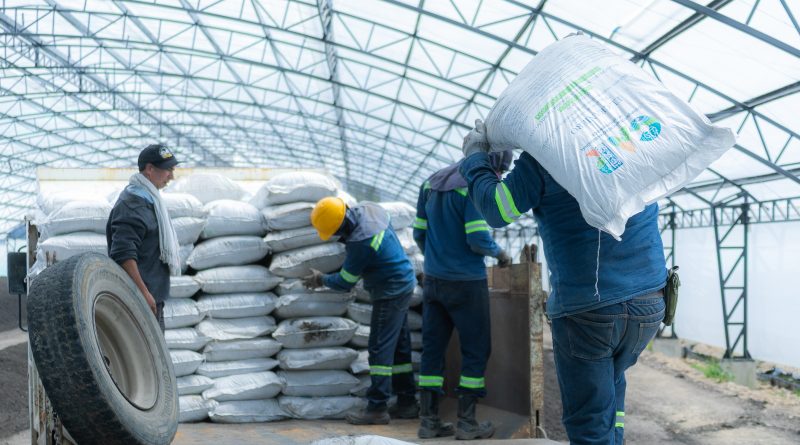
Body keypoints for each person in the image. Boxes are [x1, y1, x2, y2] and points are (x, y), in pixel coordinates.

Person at [459, 120, 666, 445]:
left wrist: (474, 158)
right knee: (611, 389)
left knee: (589, 426)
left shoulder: (546, 156)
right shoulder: (630, 146)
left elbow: (497, 210)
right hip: (650, 300)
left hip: (591, 308)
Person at [412, 152, 512, 440]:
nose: (501, 177)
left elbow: (420, 234)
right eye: (501, 172)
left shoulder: (430, 183)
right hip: (466, 283)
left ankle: (428, 421)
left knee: (433, 350)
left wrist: (436, 259)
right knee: (476, 350)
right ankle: (467, 423)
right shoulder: (473, 186)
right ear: (494, 164)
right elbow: (477, 238)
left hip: (433, 283)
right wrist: (501, 254)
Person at [302, 197, 418, 425]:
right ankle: (407, 402)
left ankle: (377, 407)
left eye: (337, 233)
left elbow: (346, 280)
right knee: (399, 348)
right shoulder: (370, 209)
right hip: (403, 282)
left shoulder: (360, 243)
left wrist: (321, 279)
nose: (338, 239)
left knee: (379, 349)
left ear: (342, 226)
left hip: (390, 291)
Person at [107, 144, 181, 332]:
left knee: (155, 359)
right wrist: (143, 293)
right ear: (150, 169)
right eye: (168, 170)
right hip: (139, 301)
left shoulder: (149, 201)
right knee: (147, 359)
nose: (171, 176)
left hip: (150, 299)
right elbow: (123, 254)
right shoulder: (133, 204)